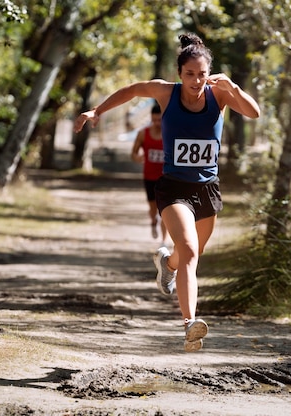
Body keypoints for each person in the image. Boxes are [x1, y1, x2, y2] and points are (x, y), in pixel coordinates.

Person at [74, 33, 260, 352]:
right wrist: (97, 111)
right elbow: (132, 90)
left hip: (208, 189)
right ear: (180, 73)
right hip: (174, 187)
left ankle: (167, 265)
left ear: (209, 72)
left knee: (189, 255)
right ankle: (190, 324)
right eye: (190, 74)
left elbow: (254, 112)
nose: (197, 80)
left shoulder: (220, 95)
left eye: (202, 74)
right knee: (188, 249)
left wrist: (233, 87)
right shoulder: (166, 92)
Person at [130, 103, 168, 246]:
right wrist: (137, 157)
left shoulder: (170, 134)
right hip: (149, 178)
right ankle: (153, 221)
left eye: (160, 120)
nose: (157, 123)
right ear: (151, 119)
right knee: (153, 209)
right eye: (154, 120)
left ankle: (163, 241)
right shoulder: (143, 134)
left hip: (166, 178)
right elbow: (133, 153)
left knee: (165, 210)